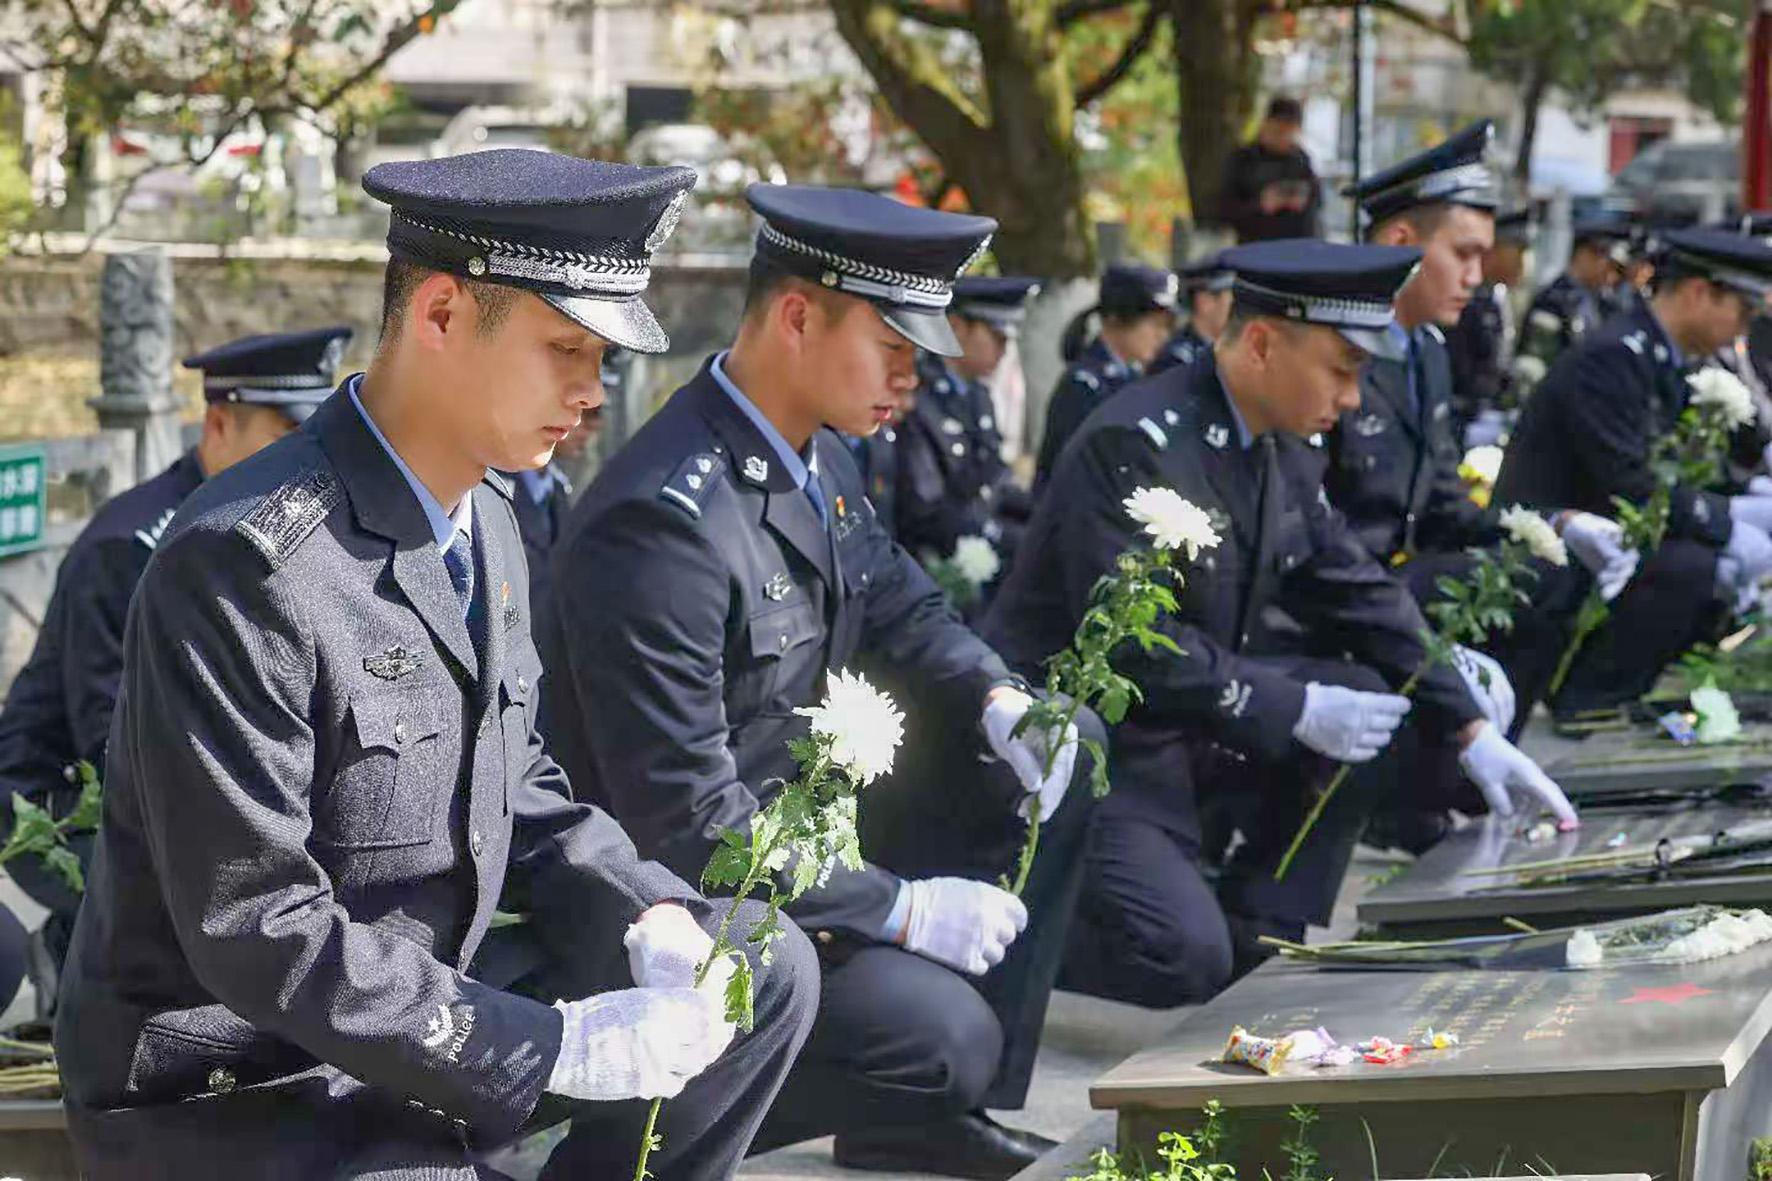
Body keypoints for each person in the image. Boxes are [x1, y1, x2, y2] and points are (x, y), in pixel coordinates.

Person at [54, 149, 817, 1180]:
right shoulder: (245, 563)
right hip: (249, 1074)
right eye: (566, 348)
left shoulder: (485, 519)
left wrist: (648, 908)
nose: (591, 393)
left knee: (756, 967)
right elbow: (257, 923)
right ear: (444, 314)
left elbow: (517, 781)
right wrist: (548, 1046)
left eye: (601, 359)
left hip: (422, 999)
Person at [535, 183, 1098, 1180]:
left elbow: (902, 603)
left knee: (1064, 746)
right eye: (892, 344)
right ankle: (625, 1140)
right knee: (940, 1033)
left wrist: (997, 696)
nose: (912, 374)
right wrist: (900, 908)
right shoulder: (664, 518)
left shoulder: (817, 460)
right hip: (680, 904)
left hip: (794, 851)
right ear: (797, 317)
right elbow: (685, 817)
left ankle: (929, 1118)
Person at [984, 238, 1576, 1008]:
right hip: (1099, 746)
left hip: (1190, 722)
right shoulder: (1140, 441)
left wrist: (1469, 725)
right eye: (1342, 370)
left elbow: (1354, 587)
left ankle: (1261, 921)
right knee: (1178, 955)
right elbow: (1133, 651)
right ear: (1262, 344)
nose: (1354, 399)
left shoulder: (1277, 444)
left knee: (1373, 702)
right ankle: (1001, 931)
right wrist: (1294, 706)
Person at [0, 326, 350, 994]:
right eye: (285, 436)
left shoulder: (277, 527)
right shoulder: (133, 546)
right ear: (218, 424)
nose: (307, 459)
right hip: (67, 802)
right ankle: (73, 950)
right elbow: (111, 736)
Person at [1332, 123, 1613, 736]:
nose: (1477, 276)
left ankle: (1486, 760)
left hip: (1399, 577)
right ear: (1401, 241)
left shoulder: (1426, 350)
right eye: (1463, 254)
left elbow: (1443, 505)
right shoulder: (1336, 350)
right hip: (1340, 591)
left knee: (1551, 572)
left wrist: (1554, 524)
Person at [1496, 228, 1772, 713]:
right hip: (1554, 540)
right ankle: (1586, 698)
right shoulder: (1616, 356)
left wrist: (1743, 500)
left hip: (1604, 533)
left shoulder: (1658, 354)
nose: (1743, 329)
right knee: (1691, 565)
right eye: (1742, 312)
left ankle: (1616, 694)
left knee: (1704, 558)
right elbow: (1629, 485)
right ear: (1699, 293)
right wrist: (1727, 524)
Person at [896, 275, 1041, 576]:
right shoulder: (919, 397)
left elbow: (995, 480)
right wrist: (1004, 536)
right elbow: (926, 509)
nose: (1003, 350)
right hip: (934, 561)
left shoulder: (977, 395)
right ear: (957, 327)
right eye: (997, 337)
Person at [1033, 262, 1178, 490]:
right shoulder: (1084, 386)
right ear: (1116, 318)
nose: (1162, 336)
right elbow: (1069, 475)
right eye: (1154, 324)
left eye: (1166, 326)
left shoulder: (1133, 378)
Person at [1446, 207, 1532, 439]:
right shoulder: (1464, 299)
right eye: (1518, 251)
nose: (1524, 262)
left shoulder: (1499, 297)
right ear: (1493, 250)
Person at [1517, 217, 1631, 373]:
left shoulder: (1604, 305)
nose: (1610, 273)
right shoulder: (1553, 301)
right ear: (1583, 254)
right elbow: (1535, 364)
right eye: (1605, 259)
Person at [1218, 96, 1323, 243]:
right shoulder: (1243, 159)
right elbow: (1224, 209)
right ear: (1266, 125)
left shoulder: (1301, 159)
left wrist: (1300, 198)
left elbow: (1317, 199)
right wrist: (1260, 204)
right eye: (1278, 130)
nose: (1284, 138)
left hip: (1297, 244)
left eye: (1290, 132)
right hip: (1255, 244)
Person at [1150, 254, 1235, 376]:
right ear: (1205, 302)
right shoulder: (1179, 360)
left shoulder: (1223, 352)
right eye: (1232, 301)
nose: (1237, 309)